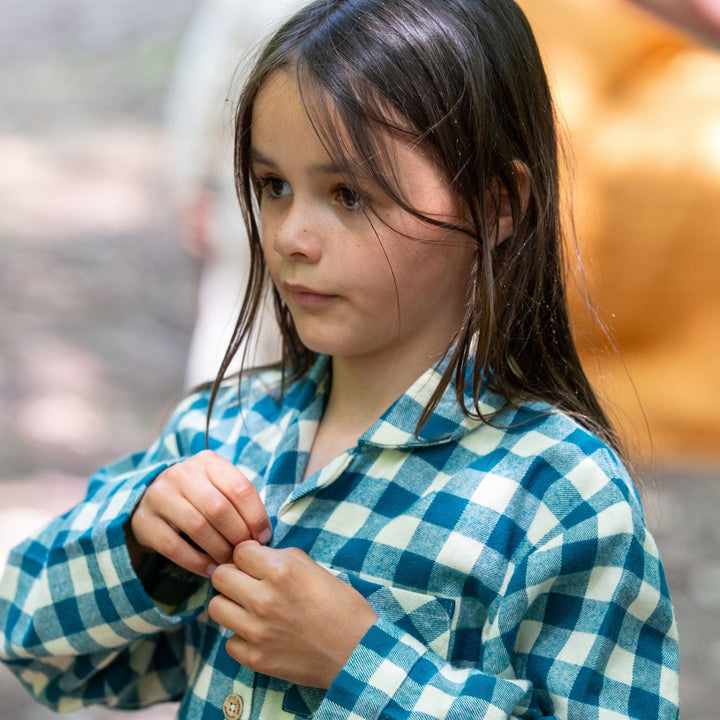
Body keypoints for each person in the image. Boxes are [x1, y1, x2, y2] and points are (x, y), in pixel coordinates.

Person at [0, 1, 679, 718]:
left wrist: (357, 662)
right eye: (274, 187)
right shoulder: (225, 426)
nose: (292, 235)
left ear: (497, 203)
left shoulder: (560, 495)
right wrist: (141, 543)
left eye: (350, 195)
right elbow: (39, 649)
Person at [166, 0, 307, 386]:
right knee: (235, 317)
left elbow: (203, 87)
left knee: (236, 318)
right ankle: (209, 433)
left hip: (255, 193)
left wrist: (190, 181)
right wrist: (192, 182)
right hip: (250, 192)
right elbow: (206, 88)